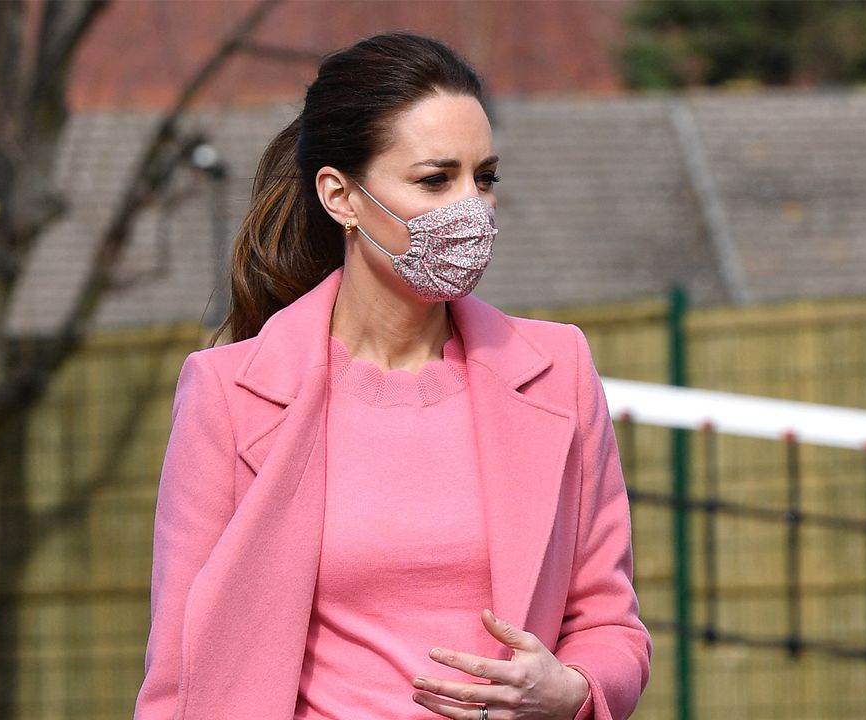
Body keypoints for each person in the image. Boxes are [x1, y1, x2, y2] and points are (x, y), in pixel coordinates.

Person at [133, 31, 651, 720]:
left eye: (485, 176)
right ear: (340, 196)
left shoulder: (559, 373)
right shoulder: (228, 395)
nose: (473, 207)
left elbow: (610, 623)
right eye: (436, 179)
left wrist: (574, 690)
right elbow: (181, 671)